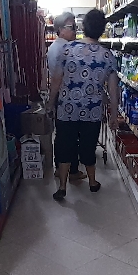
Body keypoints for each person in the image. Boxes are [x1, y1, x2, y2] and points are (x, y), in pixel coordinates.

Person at [48, 8, 119, 201]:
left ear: (83, 27)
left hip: (67, 108)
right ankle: (93, 182)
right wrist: (114, 115)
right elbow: (113, 90)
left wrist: (50, 104)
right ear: (102, 30)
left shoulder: (67, 49)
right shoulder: (107, 56)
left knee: (65, 145)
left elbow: (56, 80)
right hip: (92, 110)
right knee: (88, 146)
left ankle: (62, 186)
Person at [46, 12, 85, 182]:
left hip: (62, 97)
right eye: (71, 27)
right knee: (70, 135)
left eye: (75, 27)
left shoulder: (55, 47)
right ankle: (73, 170)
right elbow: (58, 78)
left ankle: (60, 168)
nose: (75, 30)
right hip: (66, 97)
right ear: (60, 29)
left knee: (62, 134)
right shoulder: (65, 49)